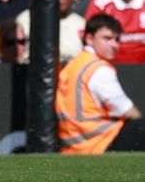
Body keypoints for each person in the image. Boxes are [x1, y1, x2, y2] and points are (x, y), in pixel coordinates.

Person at [56, 14, 144, 154]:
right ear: (89, 39)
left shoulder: (75, 64)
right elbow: (126, 110)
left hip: (73, 145)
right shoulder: (98, 68)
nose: (114, 45)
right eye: (107, 38)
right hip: (99, 142)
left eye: (117, 39)